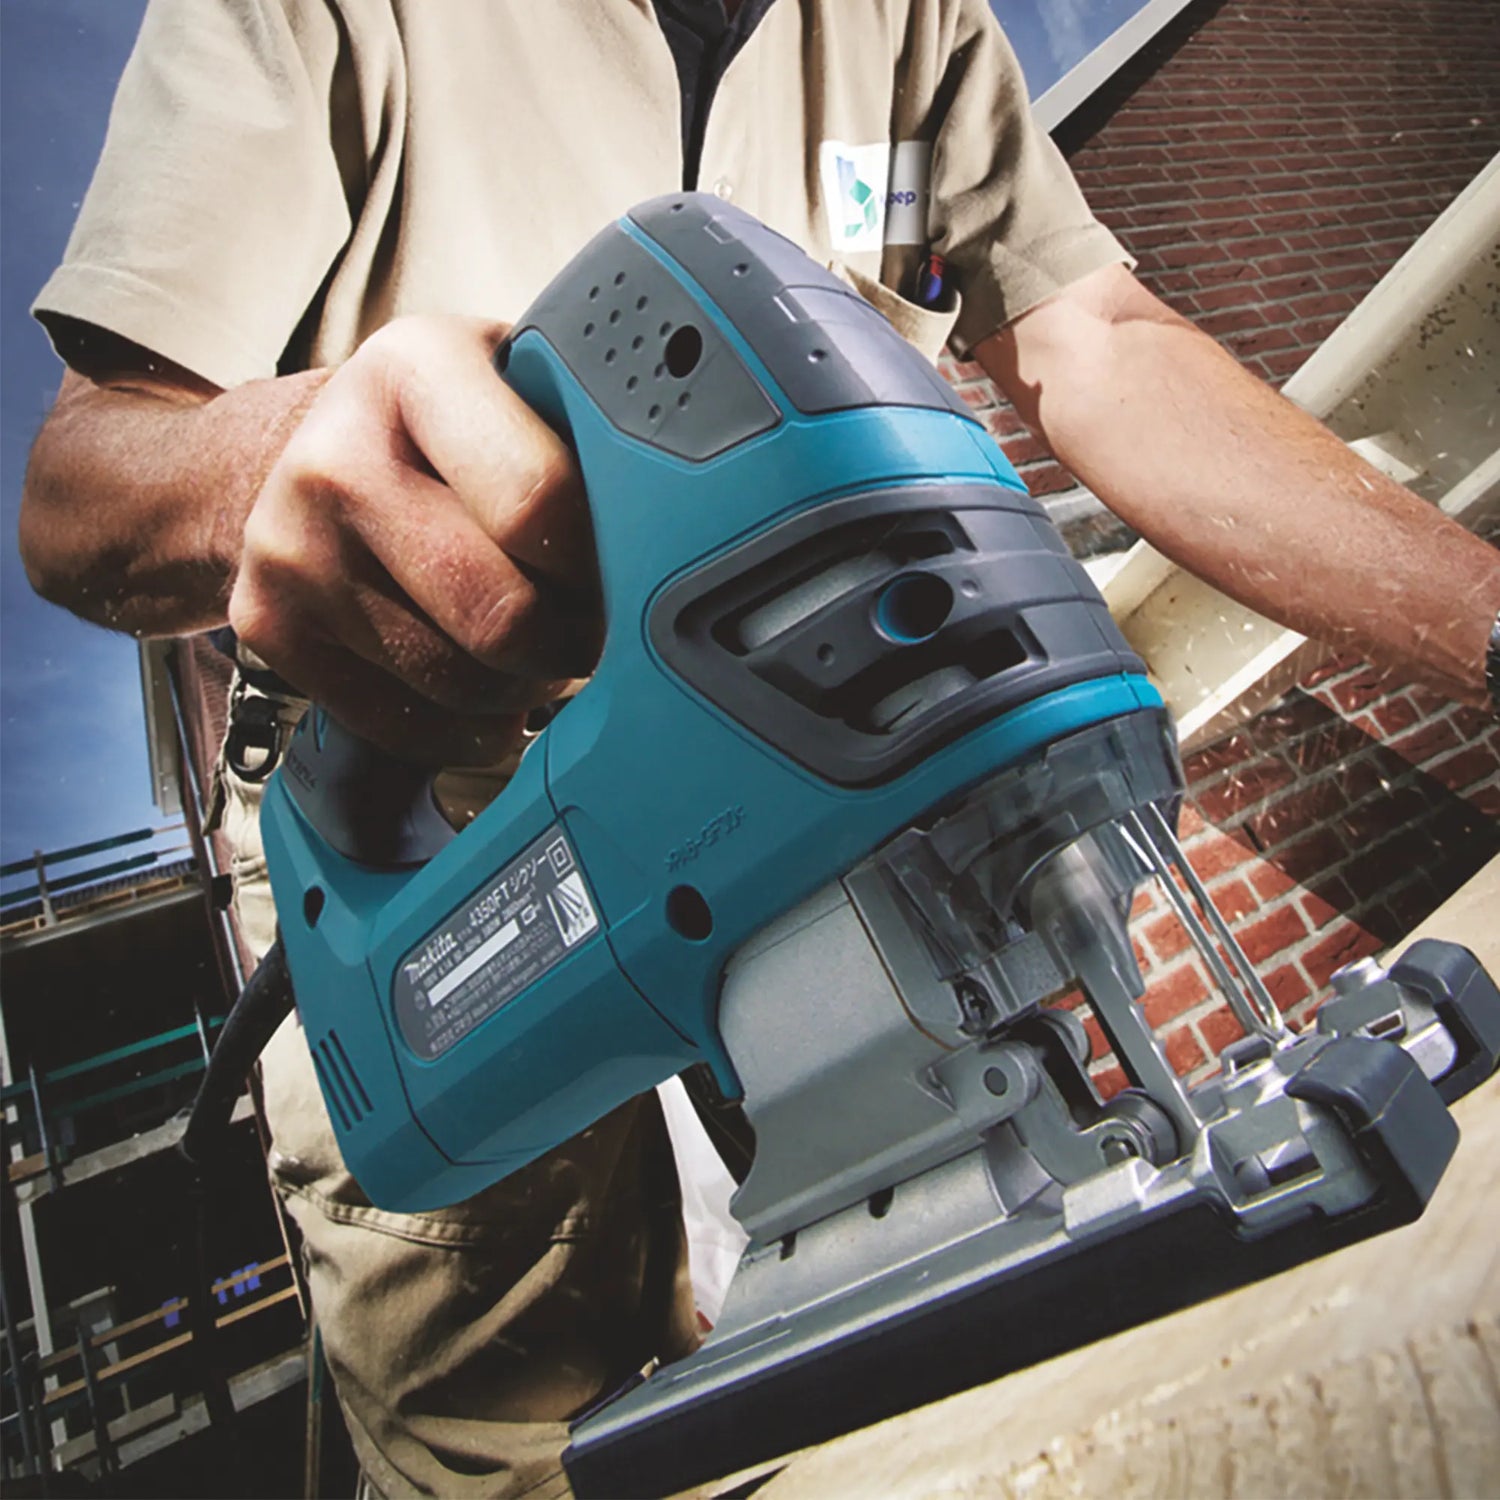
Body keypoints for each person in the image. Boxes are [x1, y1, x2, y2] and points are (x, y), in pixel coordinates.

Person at [19, 2, 1500, 1496]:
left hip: (822, 760)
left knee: (1009, 1298)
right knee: (534, 1447)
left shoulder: (911, 28)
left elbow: (1095, 342)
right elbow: (87, 483)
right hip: (442, 805)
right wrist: (301, 456)